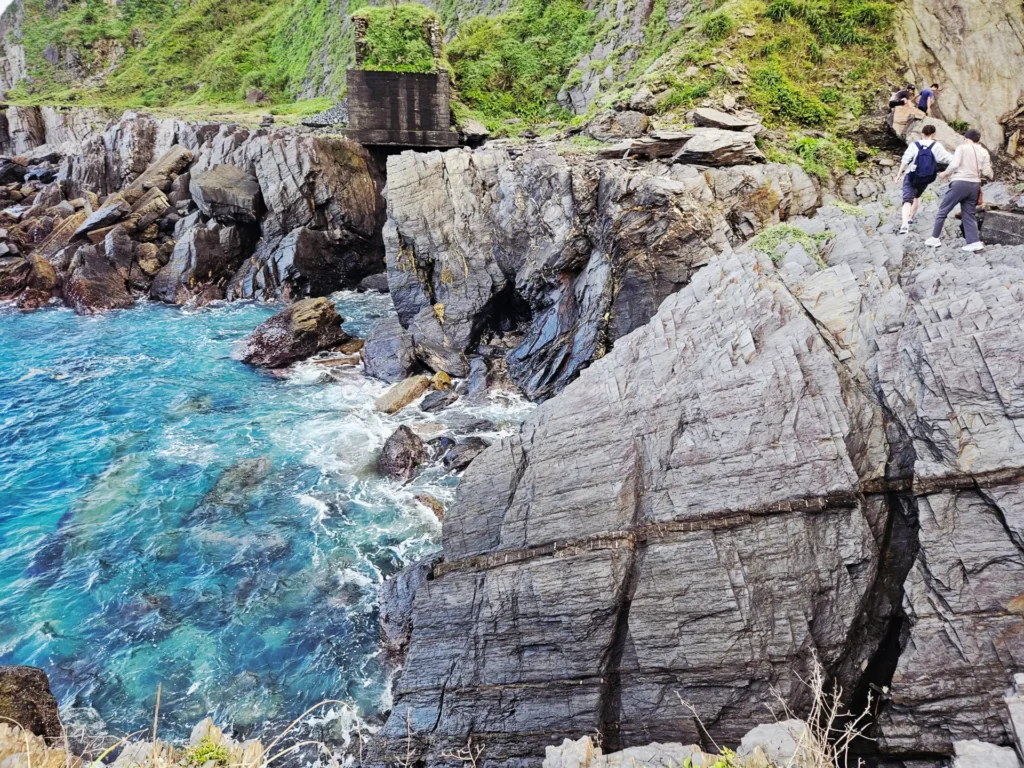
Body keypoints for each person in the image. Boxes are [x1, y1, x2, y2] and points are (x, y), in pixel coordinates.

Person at [926, 128, 993, 252]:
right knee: (969, 214)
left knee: (943, 210)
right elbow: (986, 172)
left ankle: (934, 238)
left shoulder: (962, 148)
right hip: (975, 185)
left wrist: (945, 174)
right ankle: (974, 242)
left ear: (966, 139)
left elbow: (955, 164)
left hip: (960, 183)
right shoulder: (984, 152)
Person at [895, 124, 953, 234]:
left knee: (907, 200)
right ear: (934, 134)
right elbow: (948, 158)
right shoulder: (937, 146)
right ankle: (911, 217)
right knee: (917, 196)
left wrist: (898, 174)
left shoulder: (914, 145)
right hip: (926, 177)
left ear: (922, 134)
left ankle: (904, 225)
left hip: (911, 175)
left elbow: (905, 160)